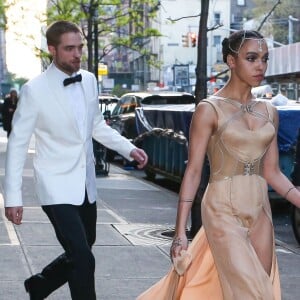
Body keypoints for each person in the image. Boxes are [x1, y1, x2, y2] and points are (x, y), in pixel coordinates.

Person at [137, 30, 300, 300]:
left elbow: (272, 172)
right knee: (251, 292)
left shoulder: (269, 111)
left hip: (260, 210)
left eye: (264, 58)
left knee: (259, 290)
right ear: (231, 61)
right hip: (221, 207)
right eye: (251, 58)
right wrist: (180, 231)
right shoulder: (209, 109)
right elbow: (193, 171)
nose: (260, 65)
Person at [4, 20, 148, 300]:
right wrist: (12, 197)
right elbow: (18, 144)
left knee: (82, 250)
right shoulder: (34, 90)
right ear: (52, 50)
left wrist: (128, 148)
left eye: (79, 47)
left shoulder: (90, 80)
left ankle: (41, 285)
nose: (77, 54)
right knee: (83, 258)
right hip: (55, 186)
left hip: (85, 184)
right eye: (69, 49)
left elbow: (96, 126)